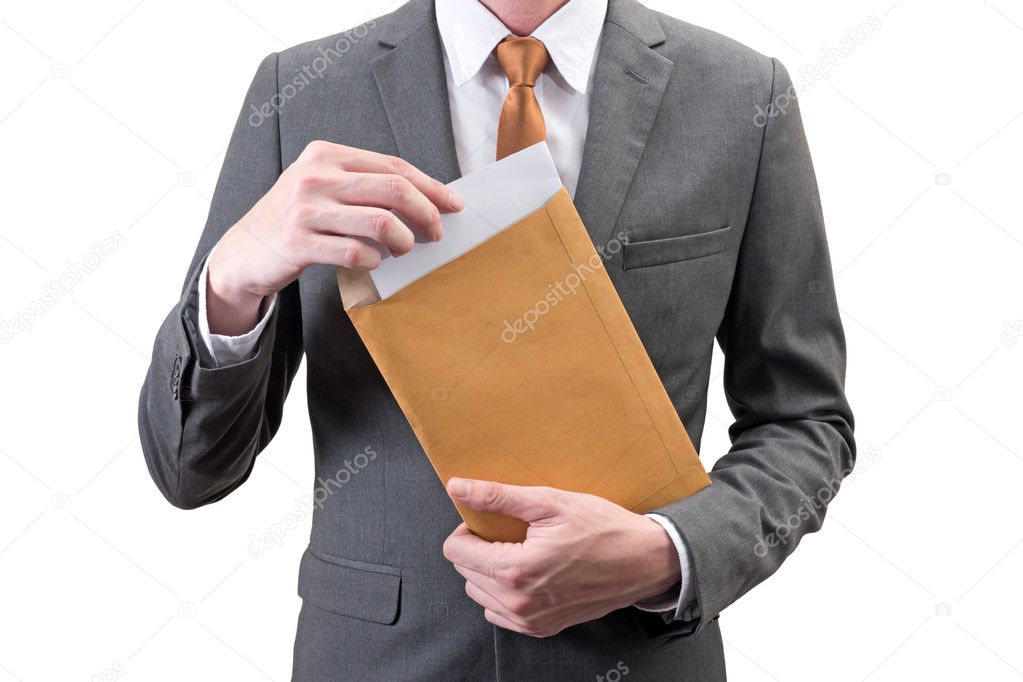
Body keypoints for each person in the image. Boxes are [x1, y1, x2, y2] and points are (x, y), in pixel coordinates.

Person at [138, 0, 855, 679]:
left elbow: (804, 422)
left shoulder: (740, 96)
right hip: (375, 659)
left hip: (638, 659)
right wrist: (229, 285)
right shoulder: (302, 91)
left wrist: (668, 553)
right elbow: (193, 470)